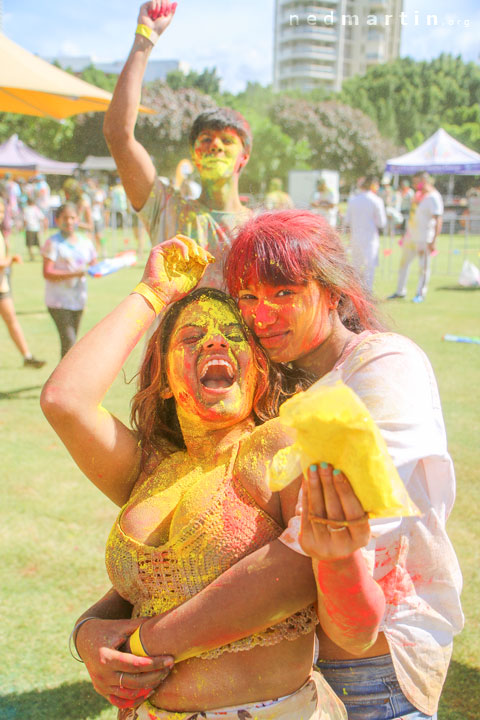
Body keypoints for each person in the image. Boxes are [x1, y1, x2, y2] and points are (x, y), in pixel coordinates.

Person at [41, 238, 352, 720]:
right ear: (164, 379)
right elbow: (65, 400)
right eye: (190, 338)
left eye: (234, 336)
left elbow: (299, 570)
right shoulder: (151, 470)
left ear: (259, 372)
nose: (214, 341)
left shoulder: (277, 444)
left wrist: (146, 642)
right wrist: (152, 292)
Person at [222, 210, 463, 720]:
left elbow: (338, 531)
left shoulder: (383, 364)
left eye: (283, 293)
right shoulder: (279, 388)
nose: (261, 314)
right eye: (248, 296)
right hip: (294, 674)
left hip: (373, 673)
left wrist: (153, 637)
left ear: (333, 292)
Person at [103, 1, 253, 289]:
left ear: (244, 157)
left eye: (227, 140)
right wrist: (145, 36)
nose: (215, 146)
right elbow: (118, 135)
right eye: (206, 139)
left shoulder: (259, 229)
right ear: (194, 155)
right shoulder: (166, 208)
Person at [41, 203, 97, 358]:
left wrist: (116, 262)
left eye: (73, 217)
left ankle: (62, 381)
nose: (69, 221)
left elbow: (94, 265)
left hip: (78, 300)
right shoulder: (53, 243)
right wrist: (73, 274)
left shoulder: (85, 241)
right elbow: (47, 272)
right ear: (57, 220)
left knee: (69, 345)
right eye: (65, 218)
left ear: (78, 219)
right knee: (69, 342)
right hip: (58, 302)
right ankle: (63, 382)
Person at [0, 198, 45, 368]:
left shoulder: (2, 233)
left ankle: (27, 356)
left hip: (2, 286)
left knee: (12, 320)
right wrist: (10, 259)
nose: (1, 215)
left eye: (2, 211)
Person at [388, 172, 443, 303]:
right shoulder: (418, 196)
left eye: (416, 182)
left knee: (423, 267)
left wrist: (434, 240)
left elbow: (438, 219)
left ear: (424, 181)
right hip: (411, 237)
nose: (414, 185)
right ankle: (400, 291)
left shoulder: (433, 197)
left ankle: (420, 293)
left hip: (425, 238)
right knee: (403, 264)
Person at [343, 176, 387, 291]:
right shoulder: (376, 200)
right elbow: (381, 222)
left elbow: (347, 221)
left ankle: (357, 292)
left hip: (356, 238)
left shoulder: (353, 200)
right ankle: (367, 293)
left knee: (356, 266)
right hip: (370, 238)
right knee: (369, 268)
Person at [23, 196, 45, 261]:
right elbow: (42, 218)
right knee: (39, 244)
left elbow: (25, 220)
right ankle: (43, 256)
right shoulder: (36, 209)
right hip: (36, 228)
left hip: (29, 228)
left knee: (30, 245)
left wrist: (23, 227)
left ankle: (32, 257)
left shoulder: (26, 209)